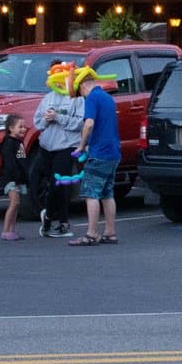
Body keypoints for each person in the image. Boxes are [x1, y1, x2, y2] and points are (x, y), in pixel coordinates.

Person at [33, 62, 85, 238]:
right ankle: (52, 221)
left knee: (60, 182)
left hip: (66, 146)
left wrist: (59, 117)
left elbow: (80, 123)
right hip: (47, 146)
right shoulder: (47, 98)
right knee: (52, 183)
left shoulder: (77, 99)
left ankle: (56, 219)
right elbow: (38, 123)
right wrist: (46, 119)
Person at [71, 69, 121, 245]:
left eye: (80, 92)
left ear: (82, 86)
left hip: (99, 152)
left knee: (91, 193)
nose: (81, 96)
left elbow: (89, 123)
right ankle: (110, 232)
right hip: (113, 152)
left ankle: (91, 234)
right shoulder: (108, 98)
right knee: (107, 193)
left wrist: (82, 145)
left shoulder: (92, 98)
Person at [0, 114, 31, 241]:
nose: (23, 129)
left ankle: (11, 230)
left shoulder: (19, 142)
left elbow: (22, 161)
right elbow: (9, 163)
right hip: (11, 179)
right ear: (11, 128)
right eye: (20, 127)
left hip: (18, 179)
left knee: (16, 204)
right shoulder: (8, 143)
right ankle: (5, 231)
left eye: (24, 127)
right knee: (14, 202)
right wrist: (14, 178)